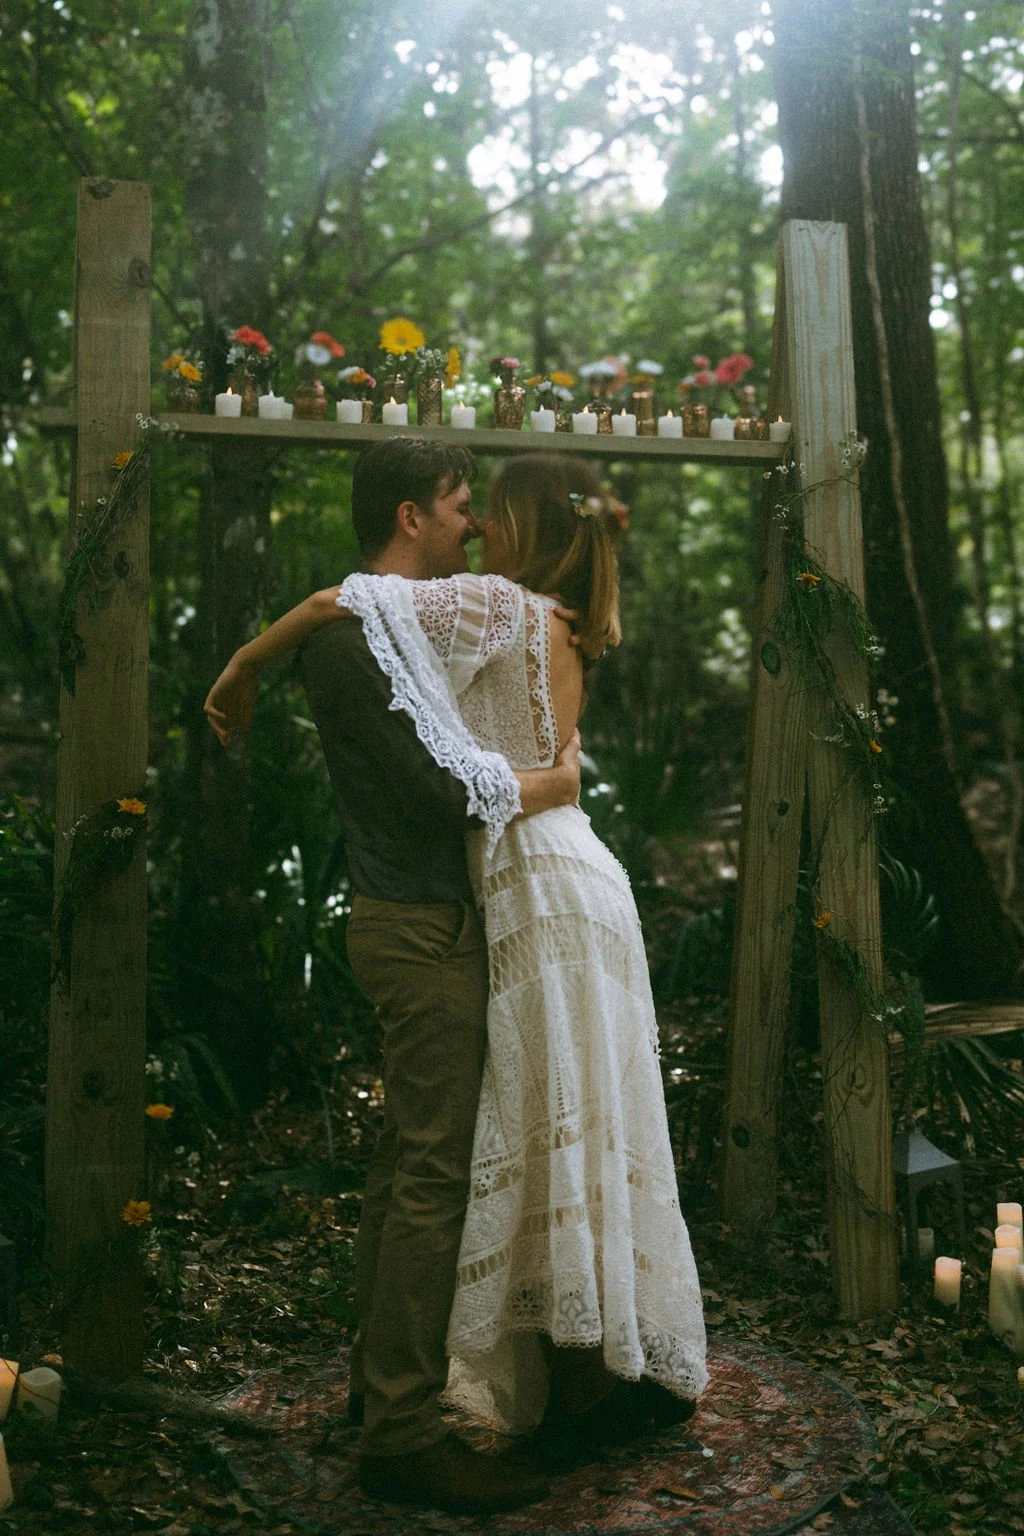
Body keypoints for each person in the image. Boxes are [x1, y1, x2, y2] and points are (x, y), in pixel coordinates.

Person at [206, 445, 708, 1493]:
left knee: (505, 1152)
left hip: (525, 904)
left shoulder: (478, 614)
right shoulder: (384, 639)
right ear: (411, 514)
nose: (473, 523)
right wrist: (555, 782)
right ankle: (432, 1410)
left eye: (487, 508)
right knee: (489, 1156)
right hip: (463, 913)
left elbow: (336, 608)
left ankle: (538, 1383)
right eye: (457, 504)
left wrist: (249, 658)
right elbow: (443, 789)